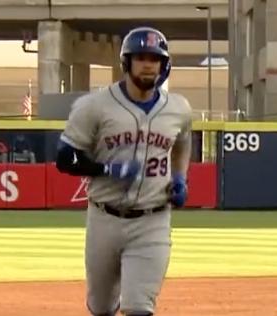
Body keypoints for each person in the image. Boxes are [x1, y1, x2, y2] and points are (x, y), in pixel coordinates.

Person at [55, 26, 192, 316]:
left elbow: (183, 142)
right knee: (101, 306)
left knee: (139, 307)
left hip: (153, 219)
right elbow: (65, 159)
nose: (147, 64)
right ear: (126, 63)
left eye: (154, 59)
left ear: (163, 65)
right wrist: (107, 168)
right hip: (104, 218)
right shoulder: (94, 106)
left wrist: (180, 177)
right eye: (140, 57)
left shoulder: (179, 108)